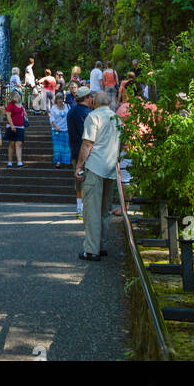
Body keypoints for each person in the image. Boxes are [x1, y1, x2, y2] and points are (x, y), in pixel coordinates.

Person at [76, 89, 122, 261]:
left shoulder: (93, 116)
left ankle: (91, 249)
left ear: (95, 102)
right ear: (109, 102)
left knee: (91, 210)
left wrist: (79, 166)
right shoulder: (117, 118)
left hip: (95, 166)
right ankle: (101, 245)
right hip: (110, 168)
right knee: (105, 210)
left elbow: (87, 143)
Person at [66, 85, 93, 217]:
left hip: (74, 149)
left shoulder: (71, 111)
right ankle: (86, 209)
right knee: (89, 181)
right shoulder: (88, 113)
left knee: (78, 181)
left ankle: (79, 208)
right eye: (91, 96)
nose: (92, 99)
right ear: (87, 98)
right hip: (87, 152)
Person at [5, 91, 27, 166]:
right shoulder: (10, 105)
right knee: (11, 144)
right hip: (12, 127)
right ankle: (10, 162)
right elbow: (8, 116)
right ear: (13, 97)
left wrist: (24, 112)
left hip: (20, 127)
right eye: (16, 96)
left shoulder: (21, 105)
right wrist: (12, 125)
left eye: (18, 96)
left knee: (19, 144)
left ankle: (19, 162)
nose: (18, 97)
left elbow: (24, 114)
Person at [49, 90, 71, 167]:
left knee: (66, 146)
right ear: (56, 99)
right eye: (58, 99)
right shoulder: (53, 108)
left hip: (66, 129)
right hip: (56, 130)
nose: (60, 100)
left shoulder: (68, 107)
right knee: (57, 147)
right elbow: (52, 119)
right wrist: (56, 127)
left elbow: (70, 117)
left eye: (61, 98)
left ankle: (66, 161)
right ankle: (58, 161)